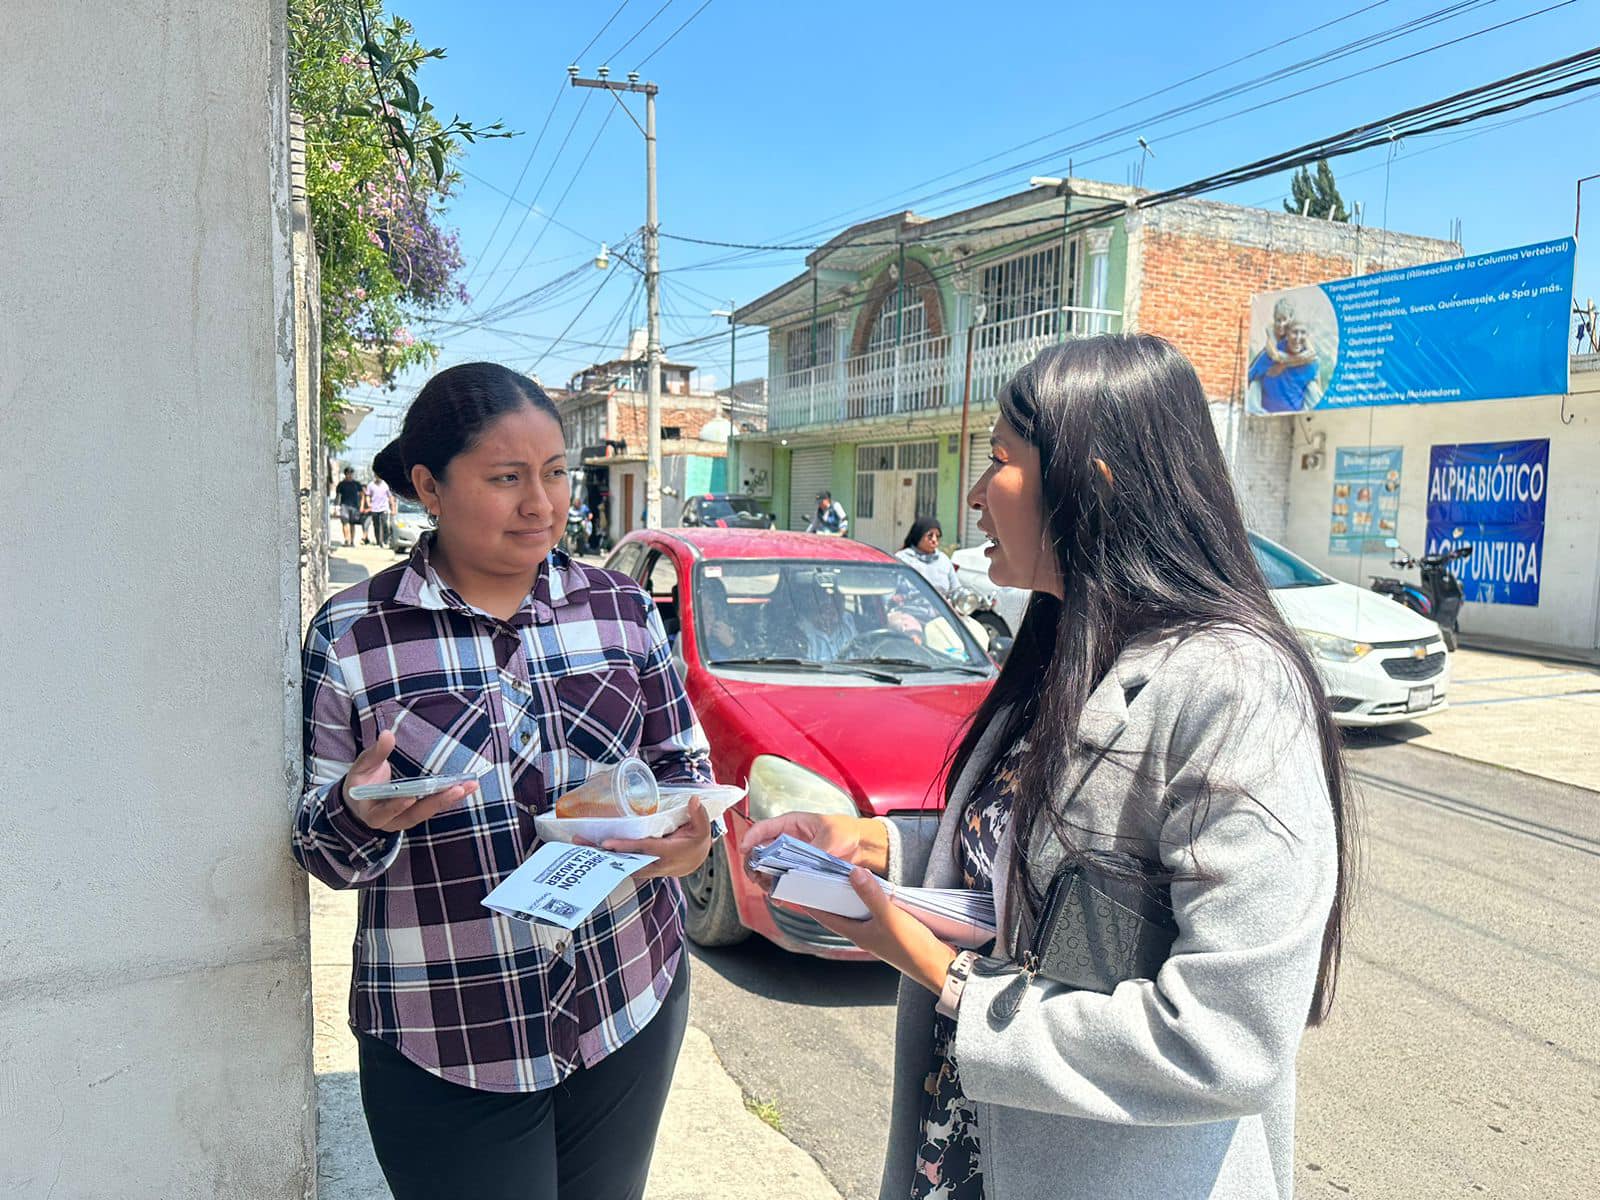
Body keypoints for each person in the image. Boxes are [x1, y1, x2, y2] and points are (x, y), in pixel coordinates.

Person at [745, 334, 1353, 1200]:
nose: (973, 496)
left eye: (998, 461)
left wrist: (937, 972)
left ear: (1091, 485)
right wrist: (875, 844)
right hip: (966, 1145)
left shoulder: (1235, 689)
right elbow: (1024, 865)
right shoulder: (1063, 642)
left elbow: (1229, 1042)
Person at [293, 361, 717, 1200]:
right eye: (506, 478)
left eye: (556, 473)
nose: (542, 503)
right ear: (429, 486)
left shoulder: (620, 609)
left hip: (622, 994)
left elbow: (684, 766)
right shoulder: (353, 635)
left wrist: (687, 835)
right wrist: (358, 816)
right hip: (448, 1027)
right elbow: (320, 849)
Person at [895, 516, 958, 599]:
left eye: (938, 536)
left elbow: (956, 589)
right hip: (910, 609)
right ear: (918, 535)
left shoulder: (944, 560)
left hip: (940, 610)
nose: (934, 540)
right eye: (930, 536)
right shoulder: (902, 559)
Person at [794, 579, 858, 660]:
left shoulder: (847, 621)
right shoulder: (800, 631)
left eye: (838, 601)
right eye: (825, 603)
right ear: (812, 604)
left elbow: (859, 652)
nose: (832, 607)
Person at [333, 467, 364, 547]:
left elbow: (362, 495)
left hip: (354, 506)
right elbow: (338, 496)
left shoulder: (356, 484)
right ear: (345, 474)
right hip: (344, 505)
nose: (349, 475)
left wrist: (361, 506)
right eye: (348, 474)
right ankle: (347, 540)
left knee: (352, 524)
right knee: (345, 523)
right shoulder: (341, 484)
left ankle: (352, 541)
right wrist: (336, 507)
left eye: (351, 473)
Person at [365, 473, 395, 548]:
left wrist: (393, 508)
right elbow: (368, 495)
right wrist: (369, 503)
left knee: (384, 524)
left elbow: (390, 497)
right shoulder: (371, 485)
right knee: (376, 525)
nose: (378, 477)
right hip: (374, 508)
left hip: (384, 508)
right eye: (376, 476)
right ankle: (378, 542)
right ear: (375, 476)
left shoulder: (386, 485)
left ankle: (385, 541)